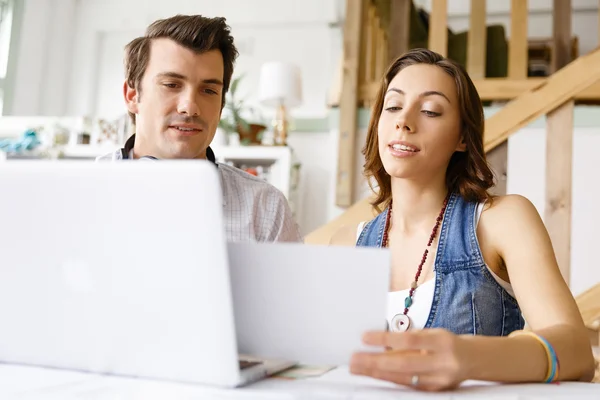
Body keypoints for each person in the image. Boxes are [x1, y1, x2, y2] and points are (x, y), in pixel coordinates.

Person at [331, 48, 595, 391]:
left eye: (430, 110)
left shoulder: (503, 220)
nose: (403, 121)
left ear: (461, 138)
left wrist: (469, 356)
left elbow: (577, 354)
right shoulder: (344, 244)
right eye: (393, 106)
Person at [96, 15, 301, 243]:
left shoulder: (265, 208)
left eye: (209, 91)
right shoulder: (80, 193)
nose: (190, 107)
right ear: (132, 96)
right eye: (171, 85)